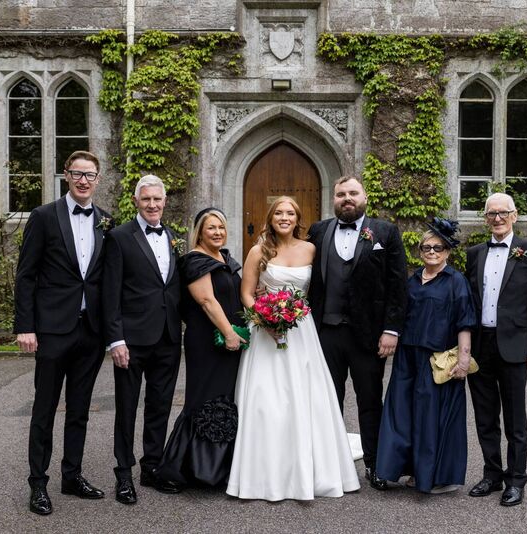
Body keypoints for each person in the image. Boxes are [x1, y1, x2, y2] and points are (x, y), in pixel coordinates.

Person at [226, 196, 360, 501]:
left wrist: (291, 314)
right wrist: (264, 317)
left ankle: (311, 470)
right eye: (279, 213)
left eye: (290, 213)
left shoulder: (311, 248)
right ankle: (263, 473)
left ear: (297, 219)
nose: (284, 218)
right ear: (271, 217)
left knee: (305, 396)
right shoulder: (258, 250)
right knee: (266, 399)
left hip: (301, 331)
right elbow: (246, 293)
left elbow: (319, 290)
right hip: (265, 332)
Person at [14, 150, 110, 515]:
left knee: (80, 409)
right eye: (77, 173)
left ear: (98, 179)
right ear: (66, 176)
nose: (84, 180)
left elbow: (103, 279)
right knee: (44, 408)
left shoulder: (106, 220)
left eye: (90, 175)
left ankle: (72, 475)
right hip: (53, 330)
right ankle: (38, 484)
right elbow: (26, 275)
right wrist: (26, 326)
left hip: (90, 332)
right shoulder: (43, 217)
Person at [307, 175, 408, 490]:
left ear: (364, 196)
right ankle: (330, 464)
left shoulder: (385, 232)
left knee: (369, 400)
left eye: (352, 193)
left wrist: (391, 330)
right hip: (326, 332)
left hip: (369, 335)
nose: (346, 198)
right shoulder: (318, 231)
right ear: (334, 199)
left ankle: (375, 465)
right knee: (327, 400)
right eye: (340, 194)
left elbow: (397, 286)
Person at [376, 218, 477, 493]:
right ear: (420, 251)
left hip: (438, 360)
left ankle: (435, 477)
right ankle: (405, 470)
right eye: (426, 247)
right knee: (403, 414)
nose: (432, 252)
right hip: (407, 358)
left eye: (438, 247)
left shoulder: (456, 281)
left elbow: (464, 323)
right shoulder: (412, 280)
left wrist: (464, 360)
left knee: (431, 419)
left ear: (447, 251)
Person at [102, 175, 183, 505]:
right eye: (146, 199)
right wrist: (115, 340)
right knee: (126, 408)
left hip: (167, 336)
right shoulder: (120, 237)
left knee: (160, 406)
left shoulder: (176, 237)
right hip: (132, 340)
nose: (152, 204)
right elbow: (110, 293)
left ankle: (151, 467)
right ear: (137, 201)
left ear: (164, 202)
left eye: (157, 199)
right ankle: (124, 473)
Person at [465, 192, 527, 507]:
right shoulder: (474, 253)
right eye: (491, 214)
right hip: (480, 345)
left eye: (503, 213)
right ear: (485, 218)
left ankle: (516, 480)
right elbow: (470, 299)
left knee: (515, 419)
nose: (497, 218)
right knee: (485, 417)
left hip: (514, 346)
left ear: (514, 216)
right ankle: (492, 474)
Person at [157, 208, 246, 490]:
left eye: (221, 226)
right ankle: (185, 468)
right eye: (211, 228)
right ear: (200, 231)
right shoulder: (195, 261)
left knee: (225, 399)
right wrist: (229, 333)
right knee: (203, 399)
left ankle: (218, 468)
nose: (218, 232)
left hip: (230, 341)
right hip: (207, 342)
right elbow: (207, 301)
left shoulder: (225, 258)